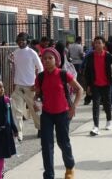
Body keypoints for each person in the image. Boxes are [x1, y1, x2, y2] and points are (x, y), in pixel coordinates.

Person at [34, 48, 83, 179]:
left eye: (50, 58)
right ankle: (49, 175)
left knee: (63, 142)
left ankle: (69, 167)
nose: (47, 61)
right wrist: (36, 102)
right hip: (47, 115)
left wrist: (74, 107)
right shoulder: (40, 77)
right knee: (46, 145)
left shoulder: (63, 74)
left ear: (56, 60)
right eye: (45, 58)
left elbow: (79, 89)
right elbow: (37, 95)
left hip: (63, 113)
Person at [84, 36, 112, 136]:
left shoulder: (108, 56)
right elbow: (87, 72)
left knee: (107, 104)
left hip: (106, 84)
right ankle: (96, 126)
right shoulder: (91, 56)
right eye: (95, 43)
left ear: (103, 44)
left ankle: (109, 120)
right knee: (95, 105)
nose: (97, 45)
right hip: (95, 84)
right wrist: (88, 85)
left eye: (99, 43)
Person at [12, 32, 44, 141]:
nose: (21, 42)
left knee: (34, 110)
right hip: (18, 87)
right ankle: (19, 133)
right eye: (19, 40)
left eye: (23, 40)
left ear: (27, 41)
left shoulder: (32, 53)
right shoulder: (15, 53)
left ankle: (40, 128)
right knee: (17, 111)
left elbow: (40, 69)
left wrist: (37, 84)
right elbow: (15, 68)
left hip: (31, 87)